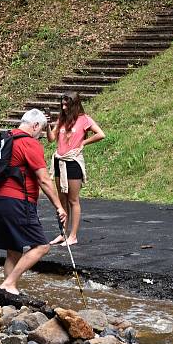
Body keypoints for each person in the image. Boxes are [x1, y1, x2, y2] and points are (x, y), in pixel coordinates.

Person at [0, 109, 67, 295]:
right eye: (41, 130)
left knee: (13, 251)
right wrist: (59, 207)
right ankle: (9, 284)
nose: (40, 136)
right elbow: (44, 179)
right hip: (18, 203)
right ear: (35, 125)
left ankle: (7, 293)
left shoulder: (3, 140)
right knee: (42, 246)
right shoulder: (29, 143)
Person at [46, 91, 105, 246]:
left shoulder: (83, 119)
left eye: (67, 104)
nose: (64, 107)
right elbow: (51, 139)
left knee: (73, 200)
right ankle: (63, 234)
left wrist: (83, 143)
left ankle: (73, 236)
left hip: (73, 162)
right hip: (59, 161)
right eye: (62, 104)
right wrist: (48, 125)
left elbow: (101, 134)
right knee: (62, 200)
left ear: (74, 104)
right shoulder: (62, 120)